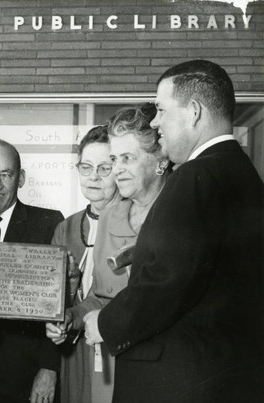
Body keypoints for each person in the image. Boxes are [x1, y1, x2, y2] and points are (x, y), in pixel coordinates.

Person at [84, 60, 264, 403]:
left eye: (162, 110)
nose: (155, 122)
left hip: (179, 384)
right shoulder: (243, 174)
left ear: (194, 112)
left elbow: (164, 283)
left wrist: (104, 324)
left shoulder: (194, 177)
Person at [47, 105, 170, 403]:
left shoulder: (178, 212)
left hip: (162, 367)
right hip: (109, 368)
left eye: (126, 159)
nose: (116, 170)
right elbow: (100, 296)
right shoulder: (112, 216)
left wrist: (105, 321)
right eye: (114, 159)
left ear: (161, 161)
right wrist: (72, 317)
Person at [0, 139, 64, 403]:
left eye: (6, 174)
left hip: (28, 376)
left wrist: (49, 369)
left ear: (21, 178)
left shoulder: (49, 224)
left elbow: (62, 305)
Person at [45, 125, 121, 403]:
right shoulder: (65, 228)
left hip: (116, 347)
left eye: (104, 168)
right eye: (86, 167)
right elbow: (52, 300)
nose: (93, 177)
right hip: (75, 350)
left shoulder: (134, 223)